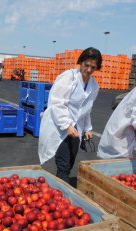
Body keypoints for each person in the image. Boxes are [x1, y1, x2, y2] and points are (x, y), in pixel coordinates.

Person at [38, 47, 102, 184]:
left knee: (70, 163)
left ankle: (57, 188)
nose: (89, 70)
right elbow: (57, 103)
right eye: (87, 65)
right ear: (80, 62)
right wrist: (66, 125)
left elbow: (87, 109)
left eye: (93, 67)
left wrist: (87, 129)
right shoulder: (69, 77)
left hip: (75, 130)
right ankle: (62, 195)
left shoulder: (94, 86)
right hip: (59, 126)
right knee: (63, 165)